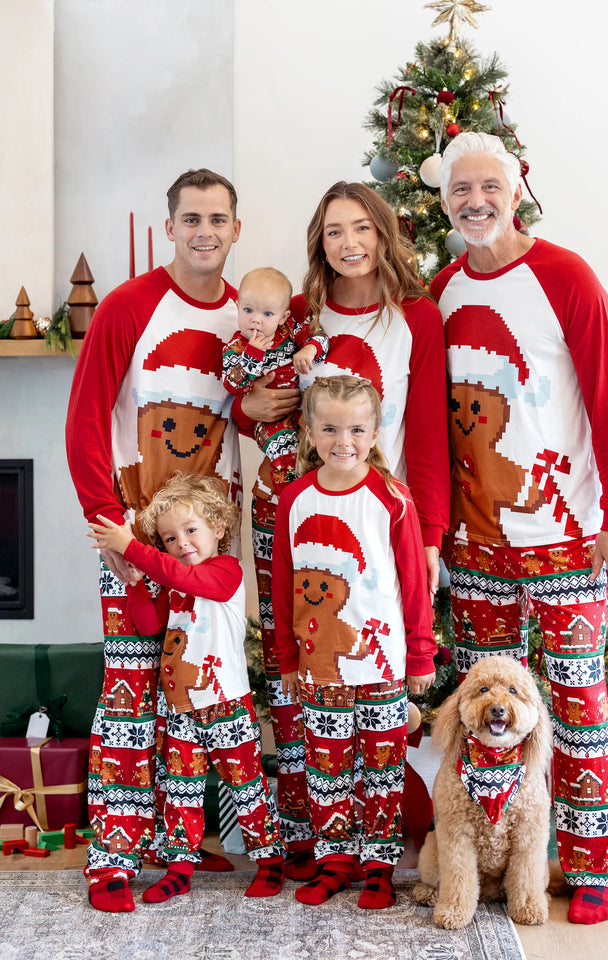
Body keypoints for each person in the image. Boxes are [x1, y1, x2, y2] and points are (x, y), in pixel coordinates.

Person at [432, 131, 608, 925]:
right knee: (486, 715)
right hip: (476, 548)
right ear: (446, 200)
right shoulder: (444, 292)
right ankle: (496, 865)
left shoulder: (567, 277)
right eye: (461, 190)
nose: (476, 202)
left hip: (565, 537)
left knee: (580, 706)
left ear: (516, 191)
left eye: (490, 187)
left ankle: (590, 868)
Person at [234, 182, 450, 873]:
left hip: (377, 519)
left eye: (361, 228)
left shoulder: (415, 317)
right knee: (297, 661)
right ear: (318, 243)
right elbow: (253, 403)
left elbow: (427, 435)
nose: (349, 243)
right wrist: (250, 406)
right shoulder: (300, 315)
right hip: (291, 513)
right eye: (333, 231)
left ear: (384, 234)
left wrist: (429, 535)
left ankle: (375, 838)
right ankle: (306, 828)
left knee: (369, 662)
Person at [66, 168, 242, 912]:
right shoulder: (130, 307)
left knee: (192, 699)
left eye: (219, 219)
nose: (205, 231)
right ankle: (110, 856)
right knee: (131, 695)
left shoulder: (250, 317)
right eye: (192, 218)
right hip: (132, 541)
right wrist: (106, 526)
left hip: (208, 554)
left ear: (236, 229)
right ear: (169, 227)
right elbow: (83, 419)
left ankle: (178, 844)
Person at [272, 376, 436, 908]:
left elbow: (414, 583)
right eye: (330, 429)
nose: (344, 440)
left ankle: (379, 865)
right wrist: (287, 657)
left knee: (383, 768)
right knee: (326, 762)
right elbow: (280, 585)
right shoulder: (293, 498)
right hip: (318, 667)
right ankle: (335, 859)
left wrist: (420, 653)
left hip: (383, 664)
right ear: (311, 431)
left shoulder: (392, 499)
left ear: (374, 431)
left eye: (357, 429)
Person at [87, 473, 286, 903]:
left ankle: (270, 861)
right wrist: (138, 582)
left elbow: (190, 580)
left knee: (246, 787)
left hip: (226, 705)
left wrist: (131, 547)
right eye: (170, 539)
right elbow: (149, 624)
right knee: (181, 792)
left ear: (218, 528)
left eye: (191, 530)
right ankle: (180, 866)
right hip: (179, 709)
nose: (182, 543)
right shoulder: (173, 584)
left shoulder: (225, 572)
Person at [222, 267, 328, 497]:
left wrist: (309, 349)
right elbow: (233, 385)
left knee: (317, 446)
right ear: (237, 307)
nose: (256, 320)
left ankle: (319, 491)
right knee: (281, 449)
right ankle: (288, 496)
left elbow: (320, 337)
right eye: (248, 310)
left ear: (284, 317)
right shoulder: (236, 347)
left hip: (299, 410)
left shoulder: (289, 331)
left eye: (267, 314)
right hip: (268, 421)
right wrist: (252, 355)